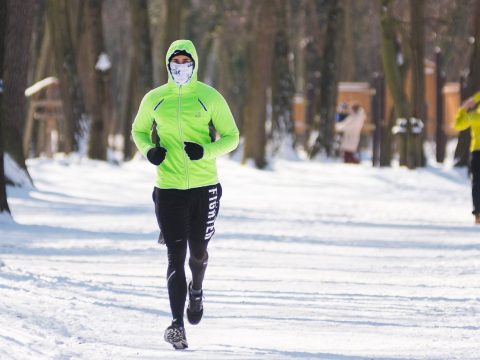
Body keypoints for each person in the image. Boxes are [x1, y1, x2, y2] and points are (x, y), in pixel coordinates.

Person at [131, 39, 239, 349]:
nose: (181, 68)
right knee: (174, 255)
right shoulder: (155, 98)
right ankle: (177, 324)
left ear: (194, 64)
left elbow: (232, 137)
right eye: (175, 63)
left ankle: (197, 290)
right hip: (168, 188)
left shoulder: (209, 97)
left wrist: (205, 150)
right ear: (168, 65)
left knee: (198, 253)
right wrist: (149, 151)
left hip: (205, 187)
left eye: (186, 62)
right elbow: (138, 130)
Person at [454, 92, 480, 224]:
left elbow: (458, 125)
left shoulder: (474, 116)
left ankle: (478, 213)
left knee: (477, 183)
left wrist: (464, 108)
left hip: (477, 152)